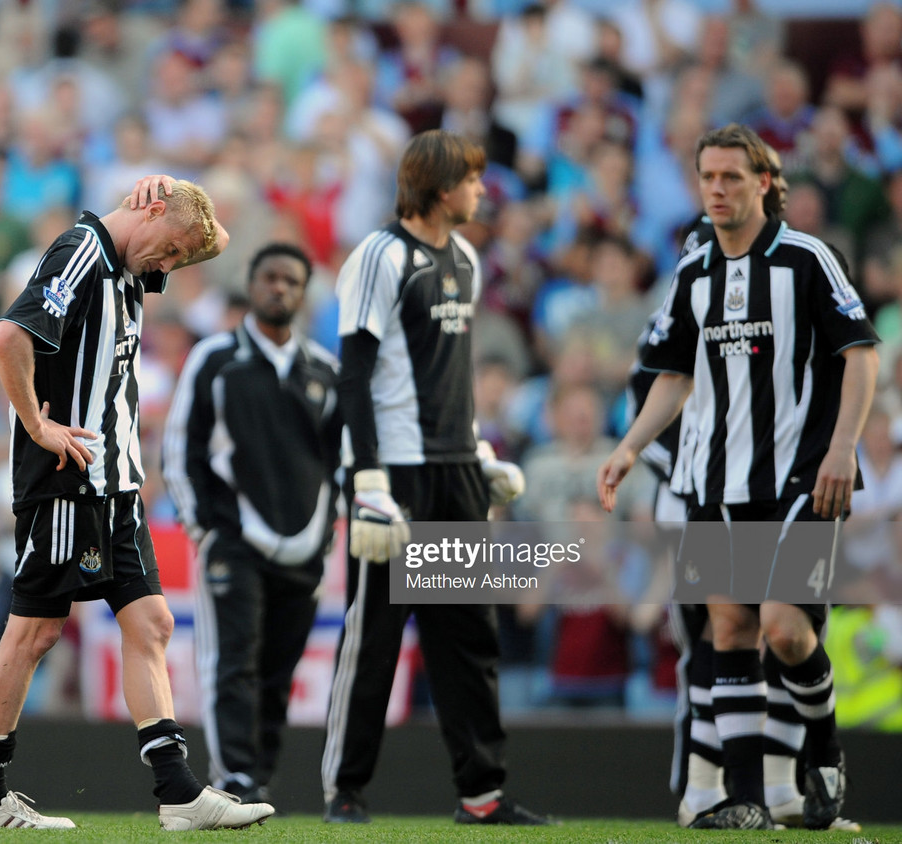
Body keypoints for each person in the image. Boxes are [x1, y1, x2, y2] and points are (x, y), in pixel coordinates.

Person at [0, 175, 274, 831]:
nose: (171, 266)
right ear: (150, 213)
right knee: (35, 631)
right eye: (172, 251)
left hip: (115, 485)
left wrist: (175, 204)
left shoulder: (132, 263)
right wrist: (38, 426)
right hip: (68, 478)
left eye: (179, 259)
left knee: (151, 623)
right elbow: (7, 336)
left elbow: (215, 237)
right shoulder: (81, 251)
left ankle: (178, 791)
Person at [599, 123, 879, 830]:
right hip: (716, 484)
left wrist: (843, 448)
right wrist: (631, 446)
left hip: (804, 480)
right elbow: (672, 373)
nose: (718, 189)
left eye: (732, 176)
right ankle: (746, 799)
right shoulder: (693, 271)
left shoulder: (807, 259)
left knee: (785, 631)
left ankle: (824, 747)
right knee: (729, 627)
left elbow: (861, 354)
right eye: (708, 177)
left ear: (764, 181)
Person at [321, 129, 549, 827]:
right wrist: (367, 479)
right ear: (441, 186)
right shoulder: (379, 257)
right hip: (394, 476)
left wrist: (476, 451)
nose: (482, 191)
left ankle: (481, 794)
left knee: (468, 639)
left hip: (455, 475)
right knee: (375, 638)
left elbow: (452, 375)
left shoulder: (469, 258)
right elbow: (353, 373)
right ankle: (345, 792)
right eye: (473, 180)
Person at [161, 242, 340, 806]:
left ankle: (261, 775)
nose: (279, 287)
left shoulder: (326, 371)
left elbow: (340, 462)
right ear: (252, 283)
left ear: (304, 291)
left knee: (279, 669)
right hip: (233, 540)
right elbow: (180, 447)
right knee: (231, 661)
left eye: (291, 279)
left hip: (305, 546)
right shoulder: (216, 359)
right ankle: (234, 776)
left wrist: (328, 529)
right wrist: (203, 527)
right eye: (270, 277)